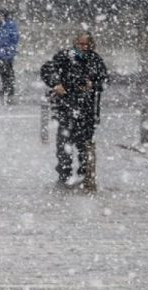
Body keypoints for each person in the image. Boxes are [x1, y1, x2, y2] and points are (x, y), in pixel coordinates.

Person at [40, 32, 107, 190]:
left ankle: (85, 175)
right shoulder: (64, 57)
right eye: (80, 44)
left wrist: (93, 84)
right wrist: (56, 84)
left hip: (88, 110)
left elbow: (104, 80)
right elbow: (46, 70)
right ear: (75, 44)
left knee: (85, 145)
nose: (84, 48)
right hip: (66, 108)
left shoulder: (95, 60)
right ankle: (64, 175)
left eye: (86, 45)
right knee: (64, 144)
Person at [0, 9, 19, 103]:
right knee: (2, 71)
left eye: (0, 16)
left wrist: (7, 48)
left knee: (8, 71)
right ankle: (5, 87)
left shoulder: (10, 25)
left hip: (7, 53)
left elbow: (14, 38)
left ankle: (10, 89)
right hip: (0, 53)